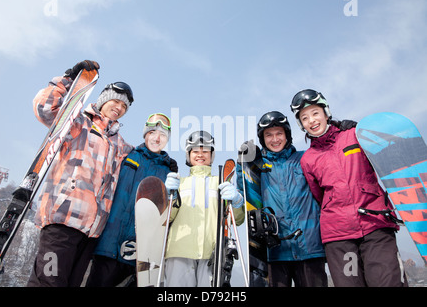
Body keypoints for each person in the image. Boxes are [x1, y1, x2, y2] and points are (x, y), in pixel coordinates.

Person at [27, 60, 134, 287]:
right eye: (115, 100)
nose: (119, 107)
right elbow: (45, 108)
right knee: (49, 282)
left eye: (124, 106)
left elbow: (140, 163)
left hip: (91, 232)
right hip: (62, 222)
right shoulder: (78, 122)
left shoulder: (121, 145)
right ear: (104, 99)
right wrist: (67, 79)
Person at [291, 89, 407, 287]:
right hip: (339, 236)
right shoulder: (308, 159)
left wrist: (362, 129)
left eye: (315, 113)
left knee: (387, 282)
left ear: (326, 112)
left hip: (375, 223)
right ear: (301, 125)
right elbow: (319, 194)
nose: (311, 120)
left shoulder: (354, 136)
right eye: (304, 118)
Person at [86, 113, 178, 287]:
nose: (157, 138)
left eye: (163, 135)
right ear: (145, 134)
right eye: (152, 133)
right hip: (109, 244)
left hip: (141, 253)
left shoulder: (170, 171)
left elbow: (169, 213)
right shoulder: (127, 154)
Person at [237, 111, 327, 287]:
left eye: (279, 133)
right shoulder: (258, 165)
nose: (275, 139)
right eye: (268, 135)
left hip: (309, 247)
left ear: (287, 134)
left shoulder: (304, 159)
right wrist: (245, 166)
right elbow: (247, 192)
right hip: (275, 250)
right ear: (262, 139)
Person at [163, 131, 245, 287]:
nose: (200, 155)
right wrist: (168, 197)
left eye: (205, 151)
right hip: (179, 251)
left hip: (212, 253)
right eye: (195, 151)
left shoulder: (220, 183)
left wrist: (236, 202)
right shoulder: (179, 183)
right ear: (188, 155)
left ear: (211, 155)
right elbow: (167, 218)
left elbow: (236, 220)